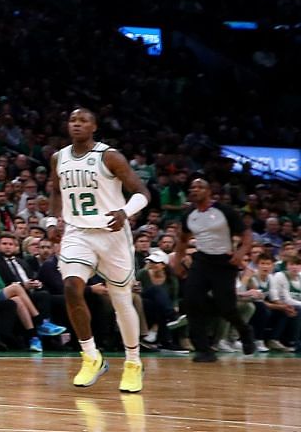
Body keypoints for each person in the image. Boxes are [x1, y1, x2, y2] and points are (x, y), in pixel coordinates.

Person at [47, 108, 150, 392]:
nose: (77, 124)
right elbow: (55, 192)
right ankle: (91, 356)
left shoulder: (110, 156)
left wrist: (125, 212)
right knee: (71, 287)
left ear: (94, 126)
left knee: (121, 299)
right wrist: (50, 220)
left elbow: (142, 192)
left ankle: (133, 362)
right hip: (77, 232)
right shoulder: (59, 157)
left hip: (111, 233)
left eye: (83, 121)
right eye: (72, 120)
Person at [173, 178, 249, 364]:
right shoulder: (189, 214)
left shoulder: (225, 211)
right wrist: (177, 261)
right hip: (202, 260)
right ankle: (203, 349)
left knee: (227, 307)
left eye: (200, 187)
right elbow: (183, 239)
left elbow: (246, 234)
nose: (195, 190)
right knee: (191, 301)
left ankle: (245, 331)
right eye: (192, 188)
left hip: (224, 262)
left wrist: (240, 253)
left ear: (209, 191)